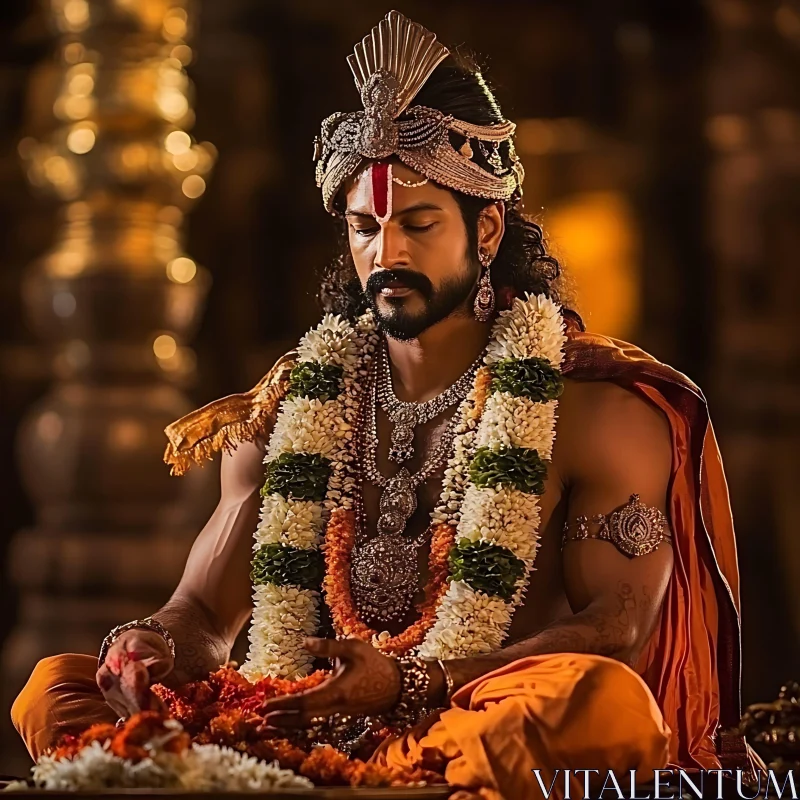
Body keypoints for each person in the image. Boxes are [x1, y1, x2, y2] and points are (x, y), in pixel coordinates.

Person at [12, 11, 753, 800]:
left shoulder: (594, 413)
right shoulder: (294, 406)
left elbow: (619, 627)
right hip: (288, 725)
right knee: (55, 690)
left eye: (420, 223)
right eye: (365, 228)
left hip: (456, 720)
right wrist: (149, 645)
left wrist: (413, 684)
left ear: (489, 226)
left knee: (600, 707)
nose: (388, 254)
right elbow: (201, 610)